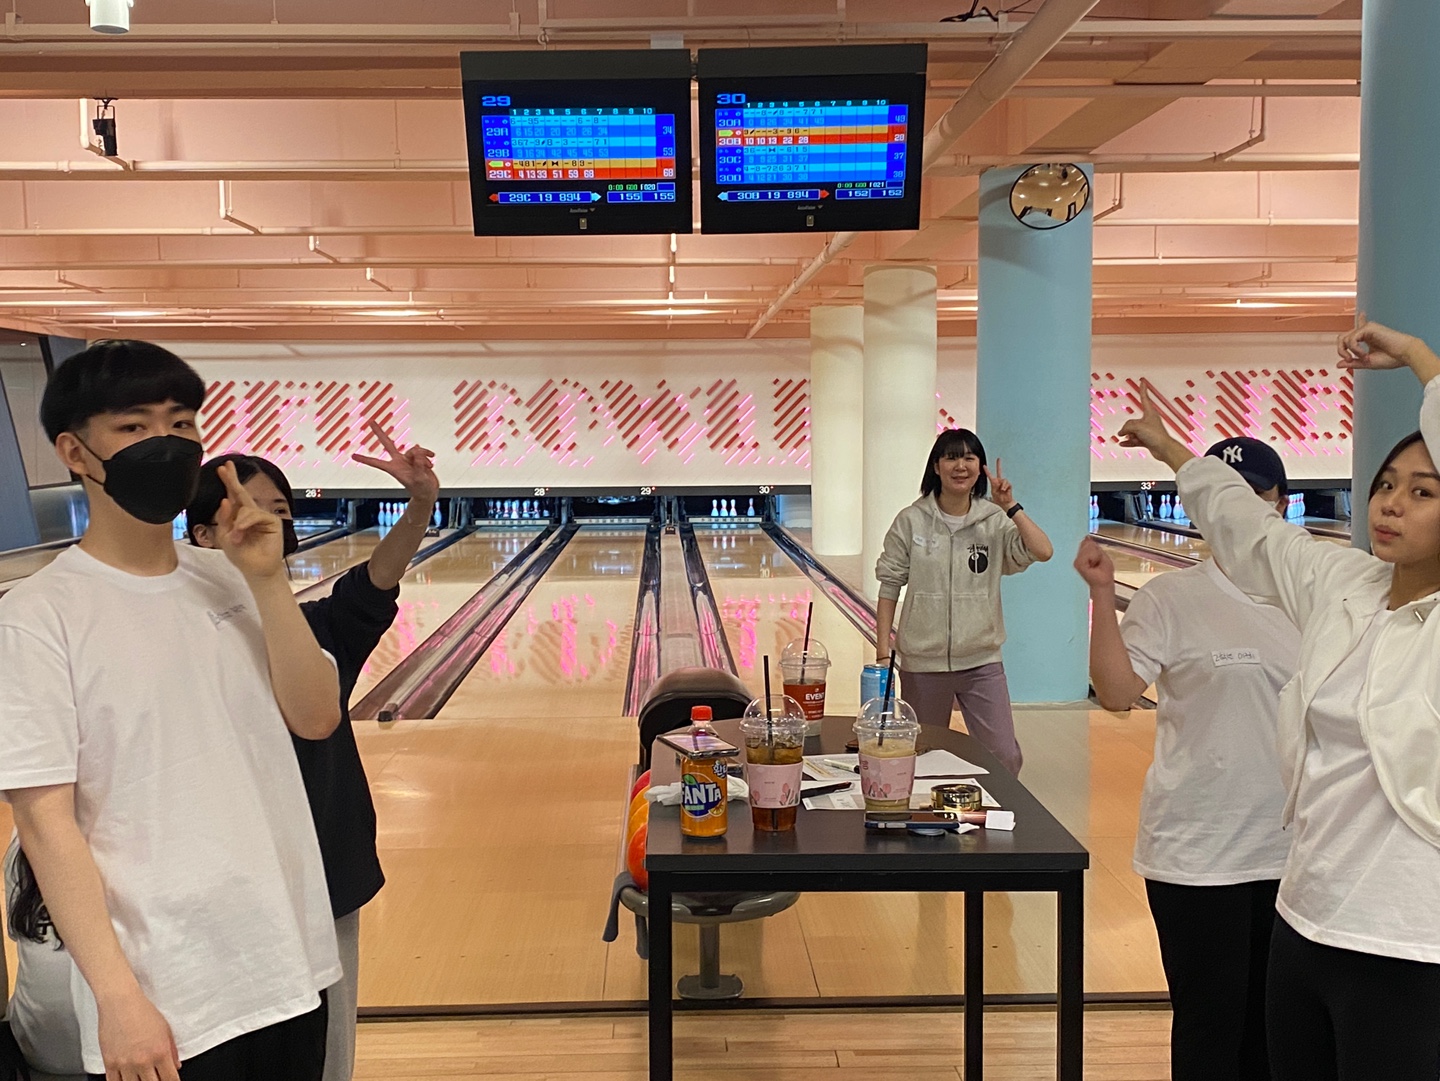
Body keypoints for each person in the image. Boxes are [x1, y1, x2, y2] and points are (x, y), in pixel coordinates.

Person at [0, 340, 341, 1081]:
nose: (167, 441)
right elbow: (46, 823)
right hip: (167, 995)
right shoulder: (37, 616)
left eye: (182, 422)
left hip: (289, 960)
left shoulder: (230, 576)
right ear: (76, 451)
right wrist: (117, 999)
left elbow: (317, 718)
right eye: (135, 425)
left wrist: (268, 581)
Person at [1115, 318, 1440, 1081]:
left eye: (1423, 491)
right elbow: (1251, 528)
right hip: (1305, 919)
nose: (1391, 503)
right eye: (1386, 484)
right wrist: (1171, 452)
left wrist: (1422, 361)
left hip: (1407, 938)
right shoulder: (1346, 585)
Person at [186, 423, 439, 1081]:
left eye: (280, 511)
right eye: (248, 507)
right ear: (202, 533)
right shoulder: (168, 649)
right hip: (211, 889)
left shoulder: (320, 633)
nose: (268, 523)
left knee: (325, 1059)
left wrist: (420, 505)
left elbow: (377, 581)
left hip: (323, 875)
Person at [1074, 436, 1300, 1081]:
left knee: (1276, 1036)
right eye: (1222, 495)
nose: (1236, 510)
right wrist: (1102, 595)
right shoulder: (1168, 598)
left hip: (1297, 850)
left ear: (1280, 504)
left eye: (1253, 496)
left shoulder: (1316, 597)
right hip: (1197, 852)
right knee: (1210, 1027)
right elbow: (1118, 692)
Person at [874, 429, 1054, 774]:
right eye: (952, 457)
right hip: (923, 663)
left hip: (981, 661)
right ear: (936, 466)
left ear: (980, 467)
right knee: (921, 758)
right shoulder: (911, 520)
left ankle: (992, 807)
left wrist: (1010, 507)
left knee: (1005, 756)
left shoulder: (994, 521)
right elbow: (889, 585)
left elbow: (1043, 551)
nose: (961, 466)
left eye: (969, 457)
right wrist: (884, 651)